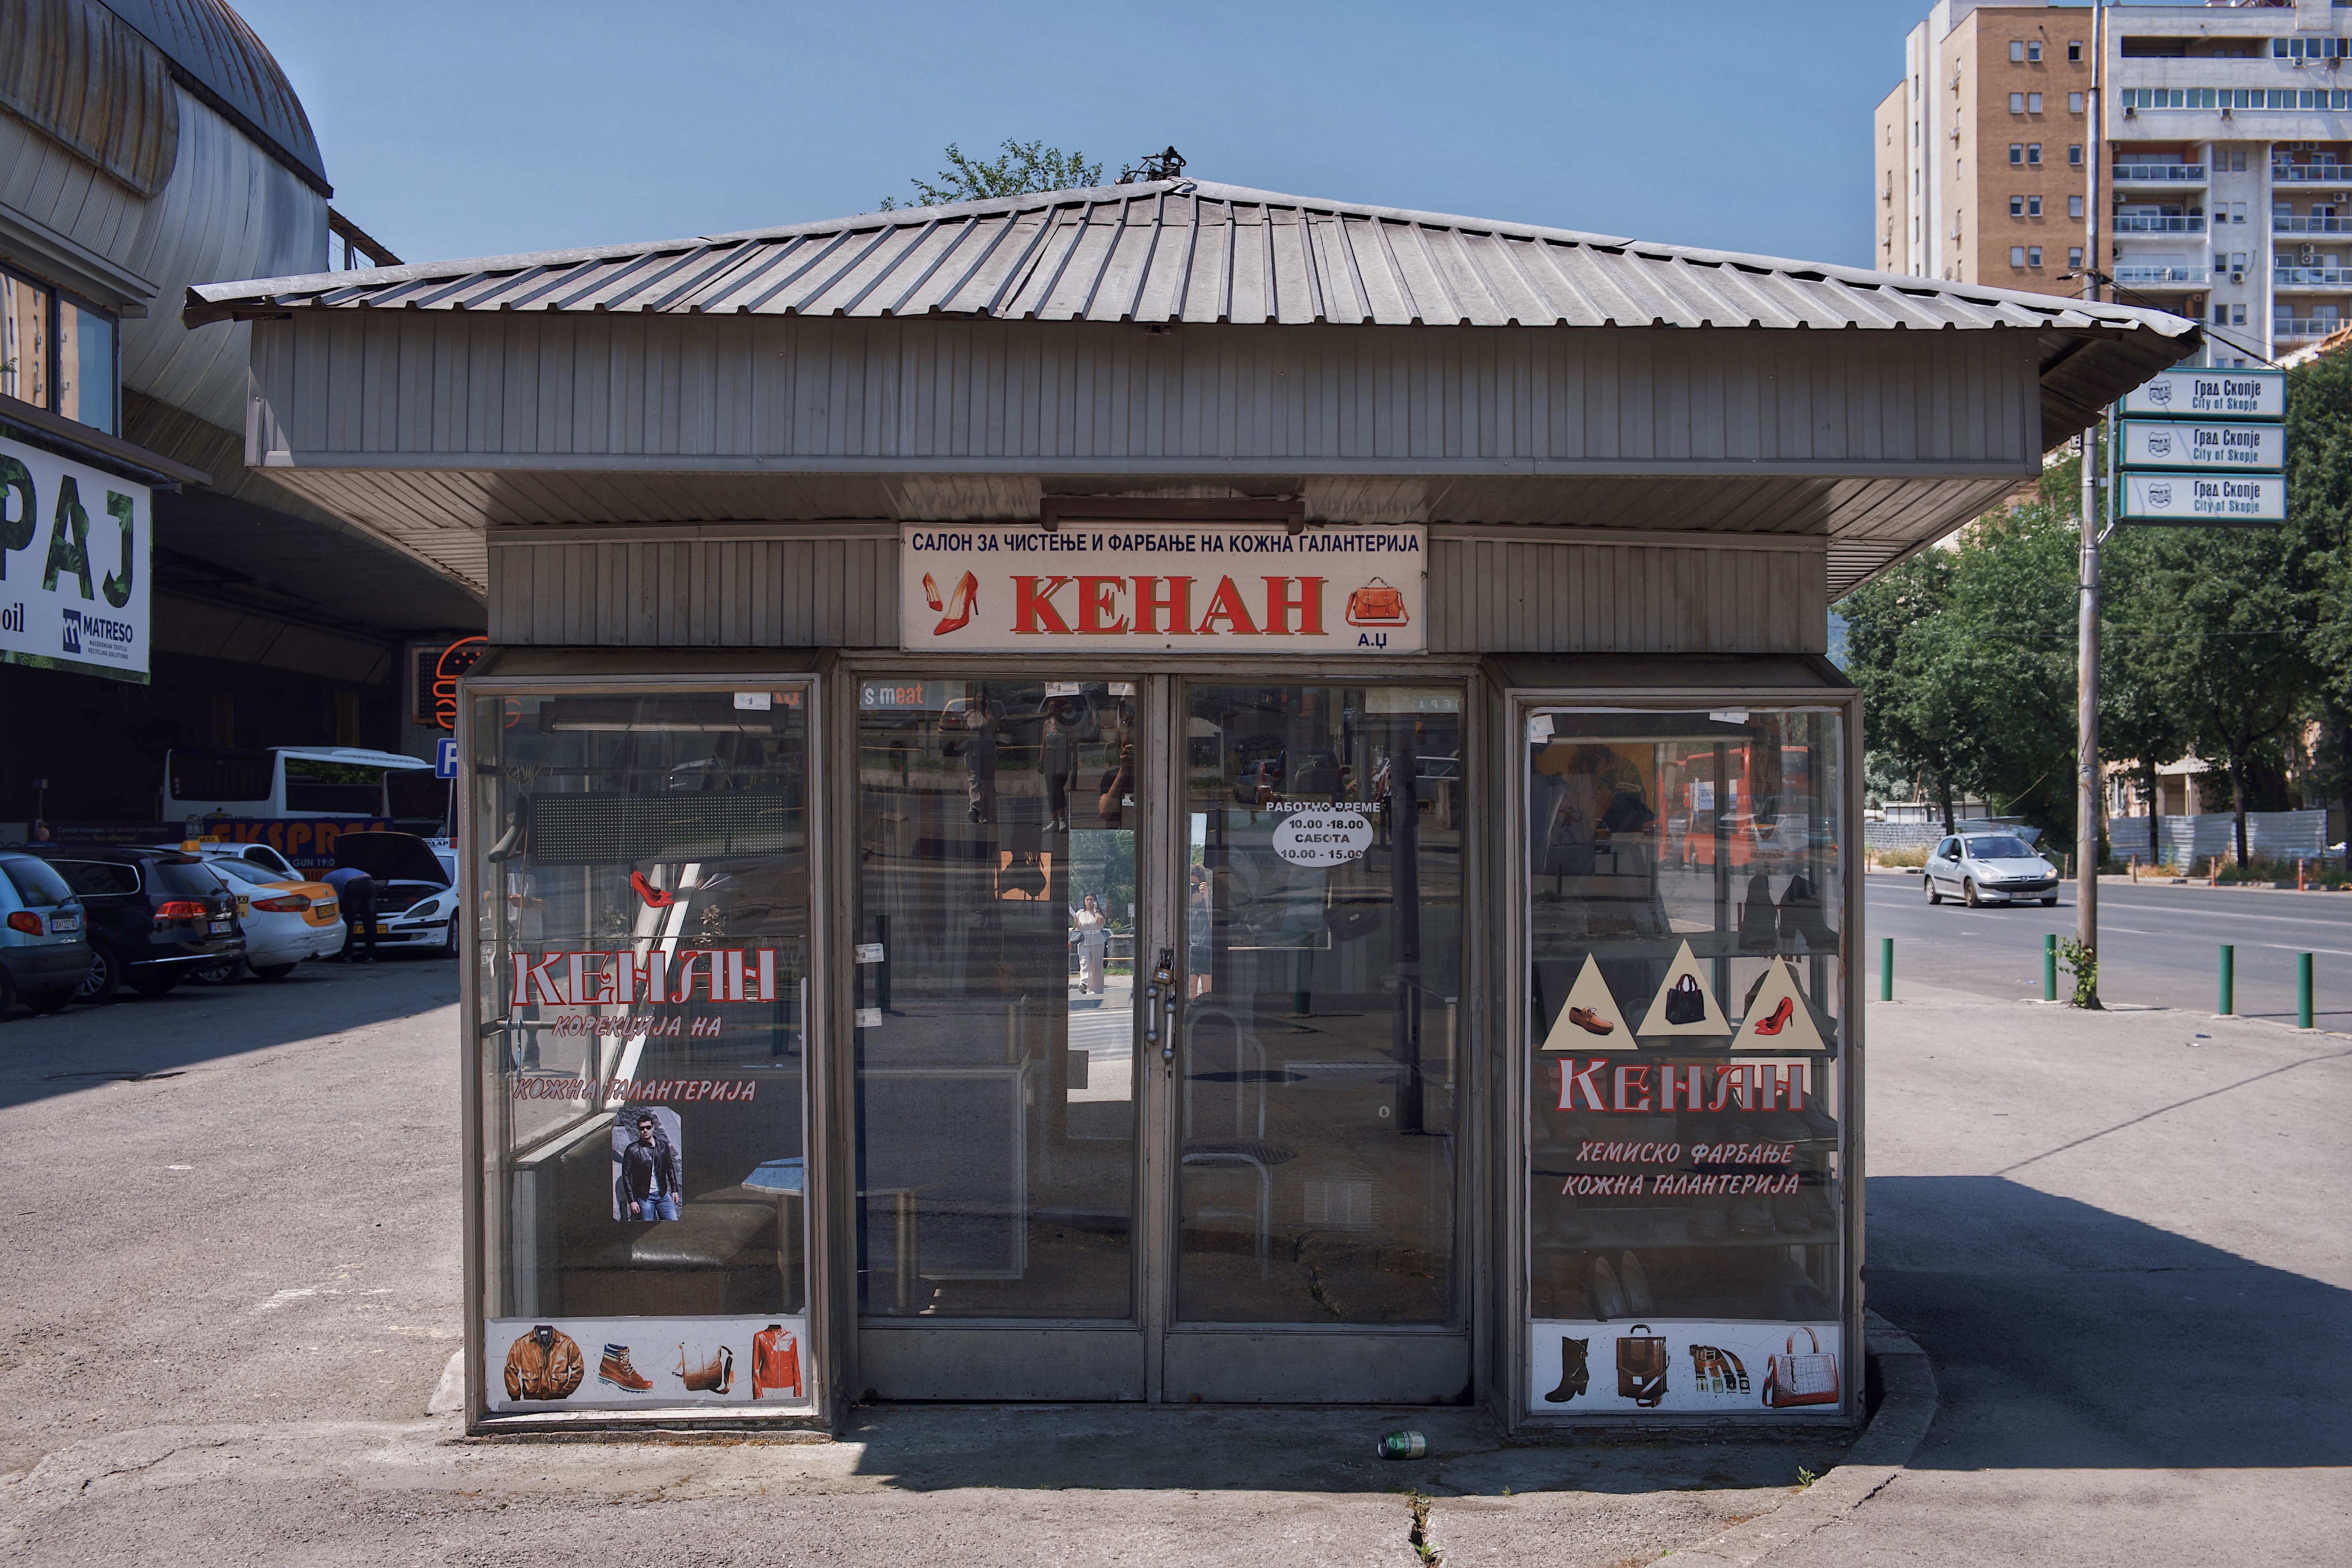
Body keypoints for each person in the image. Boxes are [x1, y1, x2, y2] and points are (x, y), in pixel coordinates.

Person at [616, 1112, 682, 1221]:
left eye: (648, 1127)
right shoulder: (632, 1150)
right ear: (638, 1130)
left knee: (673, 1221)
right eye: (642, 1129)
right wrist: (632, 1201)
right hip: (644, 1198)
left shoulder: (663, 1146)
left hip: (663, 1195)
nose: (645, 1131)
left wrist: (675, 1190)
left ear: (653, 1128)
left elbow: (670, 1168)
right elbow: (626, 1176)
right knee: (647, 1226)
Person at [320, 864, 378, 962]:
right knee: (370, 923)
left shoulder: (324, 883)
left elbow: (333, 900)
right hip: (369, 883)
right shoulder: (340, 875)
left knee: (349, 924)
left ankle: (348, 956)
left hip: (353, 885)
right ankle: (370, 957)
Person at [1073, 891, 1108, 994]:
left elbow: (1100, 922)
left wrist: (1095, 910)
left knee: (1096, 966)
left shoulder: (1100, 911)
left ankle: (1094, 989)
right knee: (1084, 963)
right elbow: (1078, 927)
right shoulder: (1079, 913)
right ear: (1084, 901)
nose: (1089, 902)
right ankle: (1084, 983)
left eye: (1091, 899)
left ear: (1095, 901)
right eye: (1087, 900)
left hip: (1097, 940)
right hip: (1084, 940)